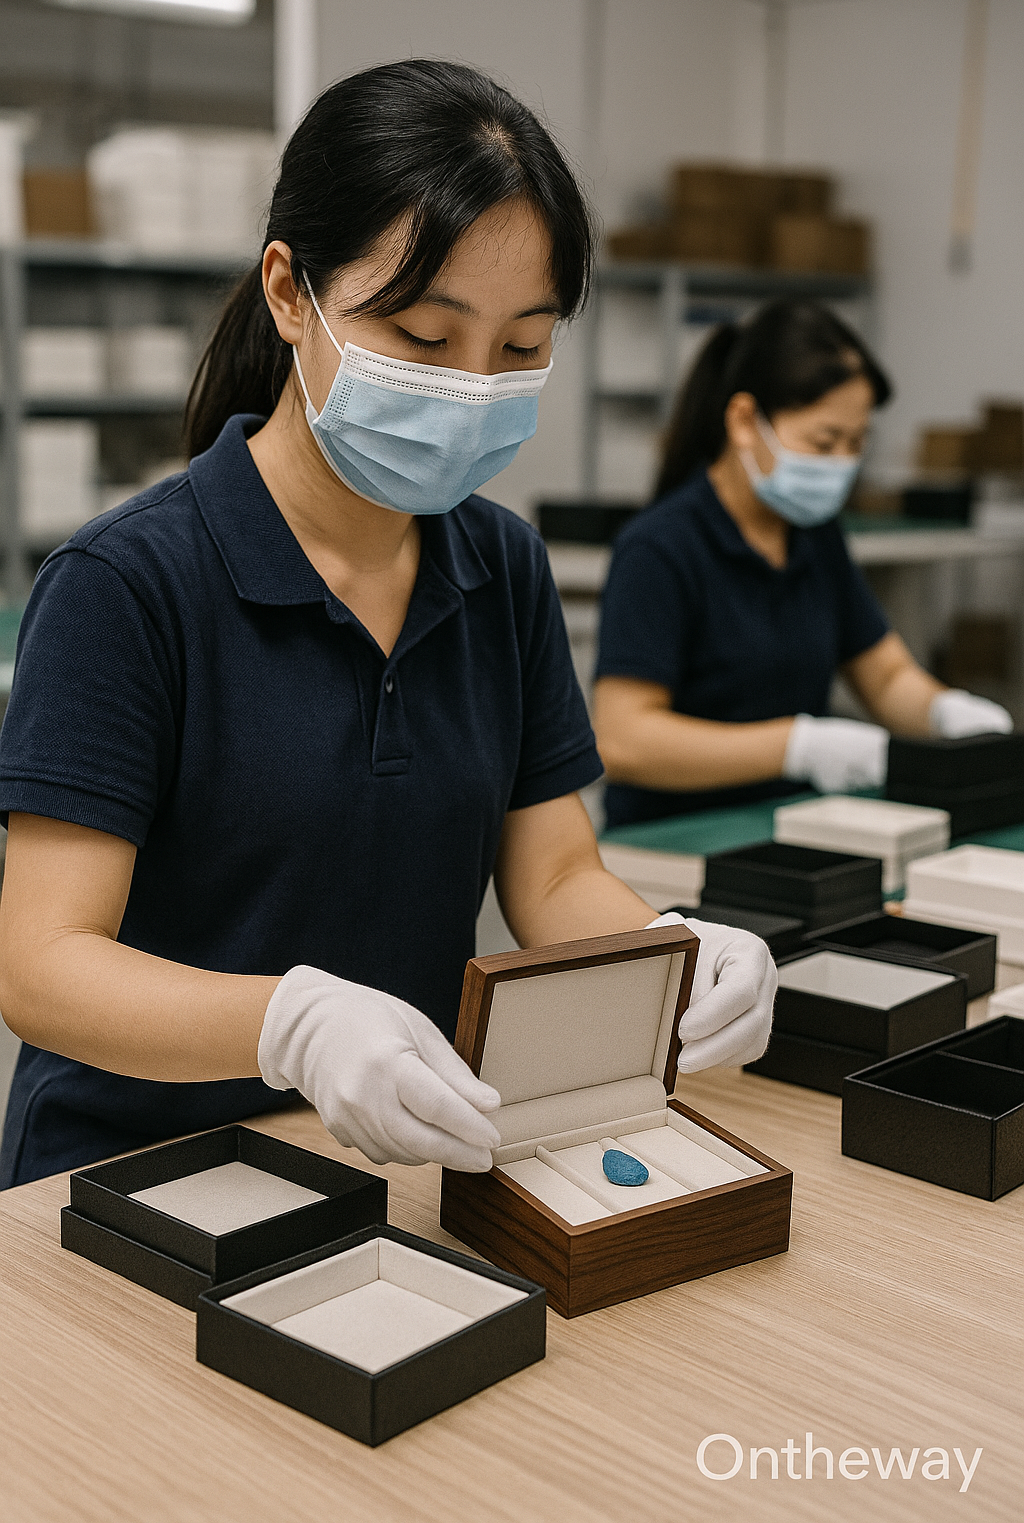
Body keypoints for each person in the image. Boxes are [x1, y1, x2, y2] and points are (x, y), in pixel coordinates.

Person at [0, 61, 774, 1190]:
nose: (471, 387)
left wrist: (671, 951)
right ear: (286, 292)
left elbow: (552, 873)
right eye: (421, 335)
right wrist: (292, 1025)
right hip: (132, 1175)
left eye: (520, 349)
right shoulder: (129, 584)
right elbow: (40, 965)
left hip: (387, 1157)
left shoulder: (500, 564)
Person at [593, 301, 1012, 829]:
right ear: (746, 422)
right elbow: (625, 740)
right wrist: (798, 747)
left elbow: (883, 677)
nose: (840, 463)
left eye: (856, 443)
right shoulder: (660, 549)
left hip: (790, 829)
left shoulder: (815, 538)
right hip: (670, 839)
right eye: (823, 441)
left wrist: (947, 713)